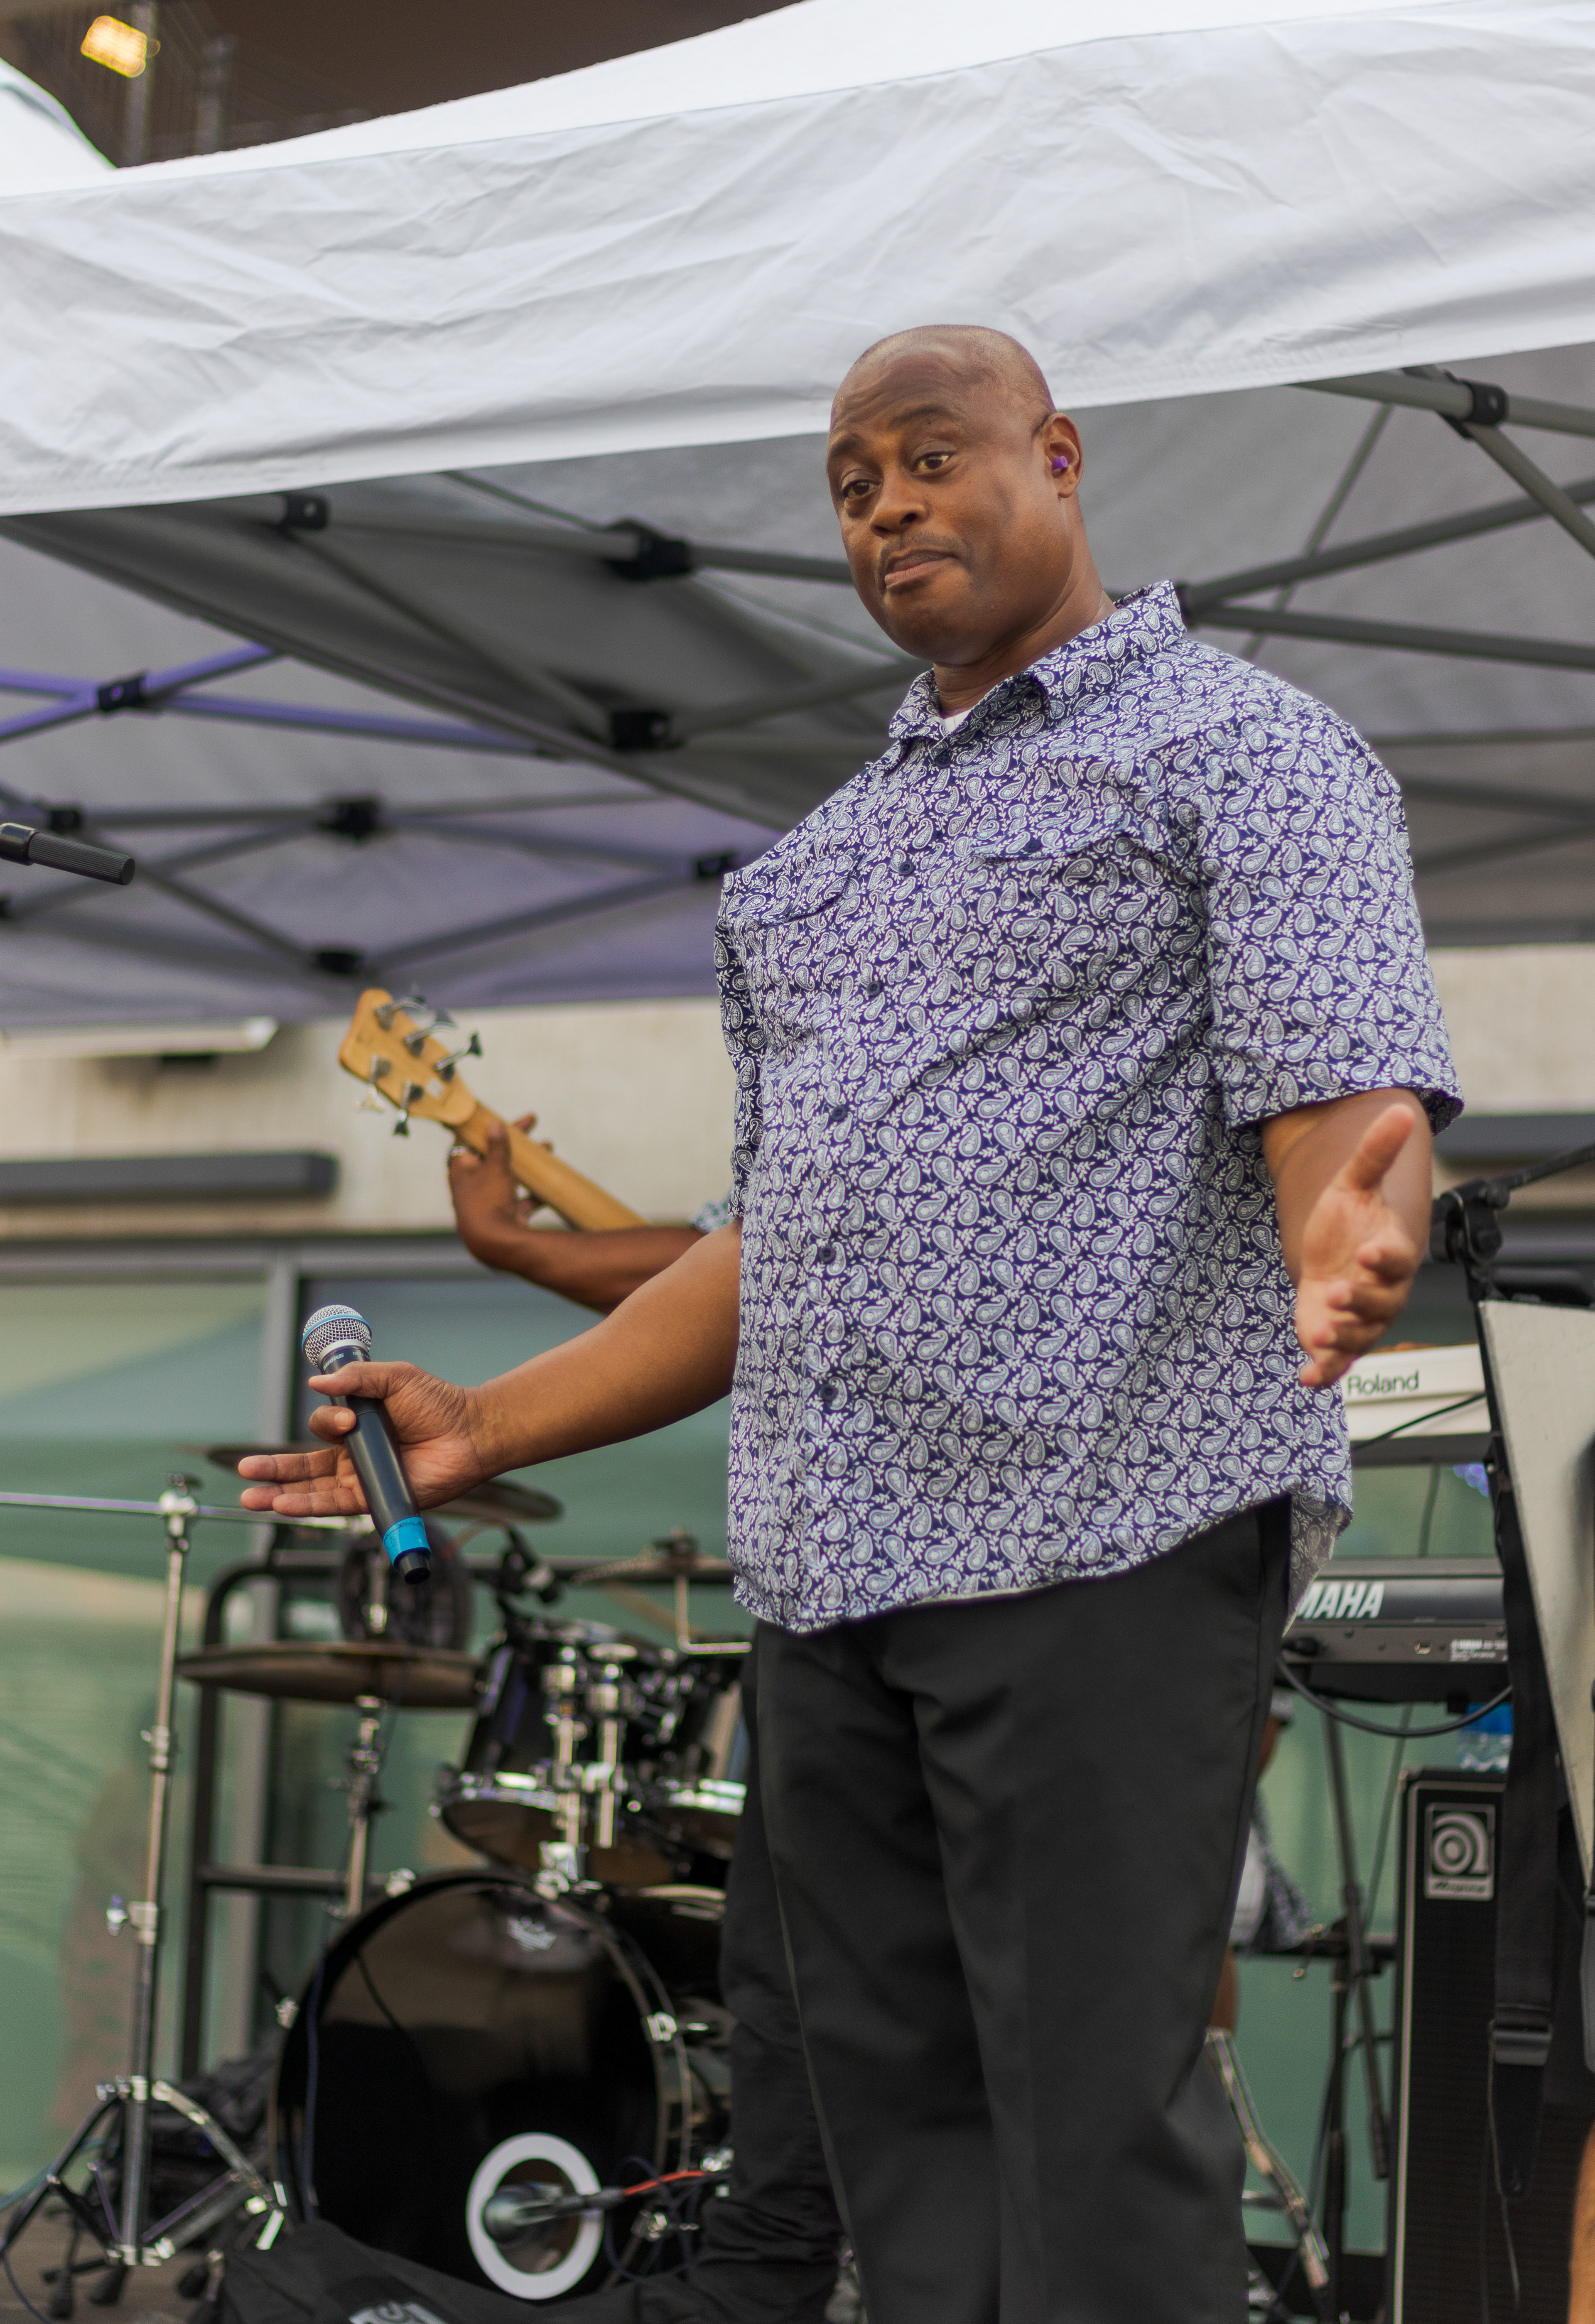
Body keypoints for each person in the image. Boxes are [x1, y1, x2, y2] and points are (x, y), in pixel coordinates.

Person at [243, 324, 1460, 2324]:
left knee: (1090, 2132)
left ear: (1056, 460)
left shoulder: (1238, 749)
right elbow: (777, 1239)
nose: (888, 502)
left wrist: (1353, 1219)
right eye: (851, 479)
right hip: (832, 1580)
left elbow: (1345, 1112)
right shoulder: (821, 863)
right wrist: (495, 1423)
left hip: (1104, 1536)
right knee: (892, 2148)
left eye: (931, 455)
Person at [446, 1133, 843, 2324]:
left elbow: (752, 1263)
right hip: (827, 1594)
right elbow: (743, 1259)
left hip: (1042, 1600)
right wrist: (519, 1254)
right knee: (793, 2010)